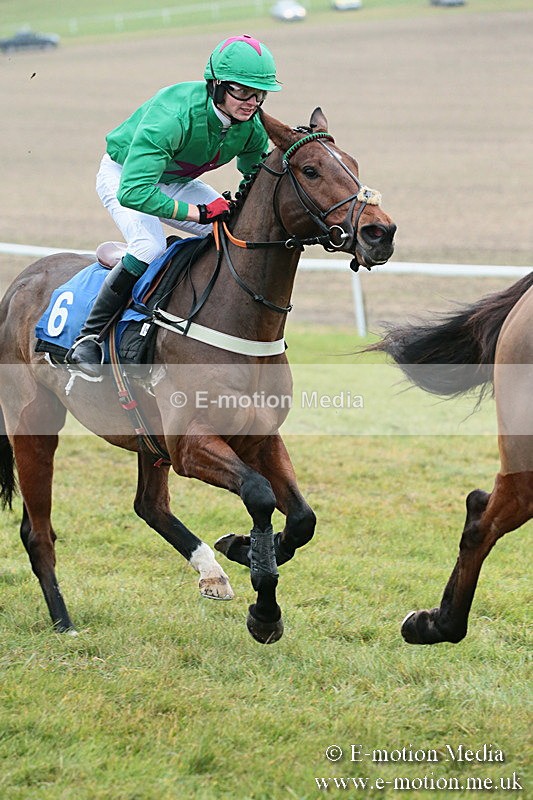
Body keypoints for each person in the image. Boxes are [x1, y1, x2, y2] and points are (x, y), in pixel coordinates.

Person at [66, 34, 281, 377]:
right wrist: (197, 213)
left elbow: (251, 180)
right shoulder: (173, 115)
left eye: (259, 93)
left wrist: (237, 205)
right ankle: (87, 339)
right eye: (241, 90)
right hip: (126, 175)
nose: (251, 101)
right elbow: (135, 192)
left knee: (232, 230)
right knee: (149, 246)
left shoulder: (250, 127)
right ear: (217, 86)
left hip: (176, 181)